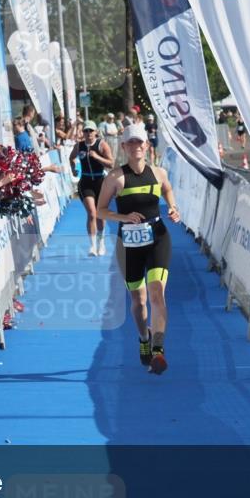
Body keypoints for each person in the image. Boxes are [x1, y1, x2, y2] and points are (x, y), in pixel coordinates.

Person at [96, 123, 181, 376]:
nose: (136, 146)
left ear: (147, 145)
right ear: (123, 146)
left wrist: (173, 207)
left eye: (140, 142)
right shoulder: (115, 177)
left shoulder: (159, 173)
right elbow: (100, 211)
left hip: (157, 238)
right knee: (138, 300)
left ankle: (158, 349)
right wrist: (123, 217)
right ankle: (144, 337)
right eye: (131, 142)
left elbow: (167, 190)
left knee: (157, 294)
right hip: (129, 245)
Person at [70, 120, 114, 256]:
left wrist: (97, 157)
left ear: (96, 132)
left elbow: (111, 163)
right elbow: (71, 158)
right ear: (82, 132)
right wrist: (73, 169)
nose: (88, 133)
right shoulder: (79, 146)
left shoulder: (102, 144)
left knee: (100, 215)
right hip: (86, 182)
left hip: (100, 182)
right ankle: (93, 246)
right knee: (92, 213)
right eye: (85, 131)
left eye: (90, 130)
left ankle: (101, 243)